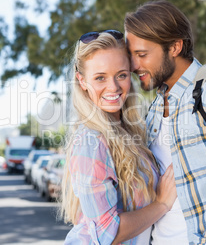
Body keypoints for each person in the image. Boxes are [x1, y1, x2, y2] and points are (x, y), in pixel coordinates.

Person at [125, 0, 206, 244]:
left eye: (142, 54)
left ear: (175, 47)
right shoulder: (156, 105)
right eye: (131, 55)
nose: (134, 66)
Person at [61, 30, 178, 245]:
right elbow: (107, 234)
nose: (113, 87)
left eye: (121, 75)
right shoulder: (91, 141)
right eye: (100, 78)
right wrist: (161, 204)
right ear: (82, 81)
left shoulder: (130, 131)